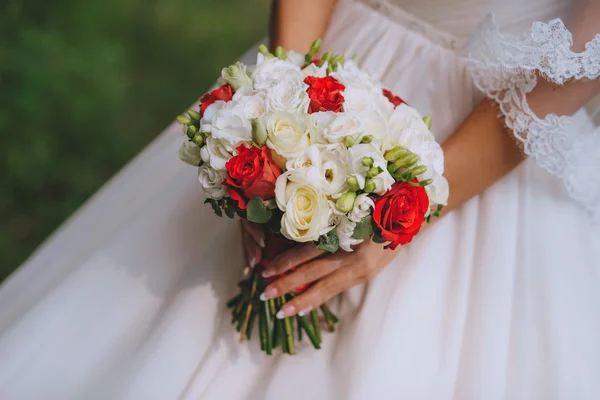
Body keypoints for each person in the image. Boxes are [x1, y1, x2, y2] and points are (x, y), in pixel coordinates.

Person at [1, 0, 599, 398]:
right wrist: (281, 110)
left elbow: (567, 77)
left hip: (491, 137)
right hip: (331, 60)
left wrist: (408, 210)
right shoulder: (292, 94)